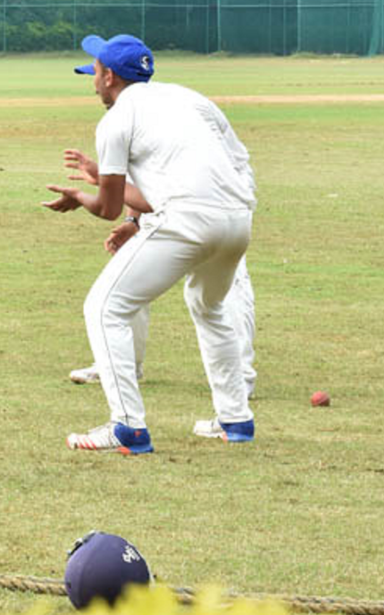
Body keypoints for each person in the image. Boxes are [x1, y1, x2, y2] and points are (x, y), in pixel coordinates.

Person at [42, 34, 255, 454]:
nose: (93, 80)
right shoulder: (191, 99)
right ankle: (236, 420)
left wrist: (80, 198)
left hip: (188, 221)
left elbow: (107, 208)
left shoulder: (116, 120)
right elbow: (229, 162)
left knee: (104, 308)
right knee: (208, 306)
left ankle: (127, 428)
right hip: (237, 220)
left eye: (96, 72)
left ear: (108, 77)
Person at [60, 148, 257, 403]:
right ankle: (122, 363)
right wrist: (133, 222)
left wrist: (100, 182)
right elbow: (141, 172)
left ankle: (239, 378)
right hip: (172, 201)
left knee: (222, 291)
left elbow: (127, 196)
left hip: (217, 199)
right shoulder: (130, 117)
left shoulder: (187, 117)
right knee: (126, 276)